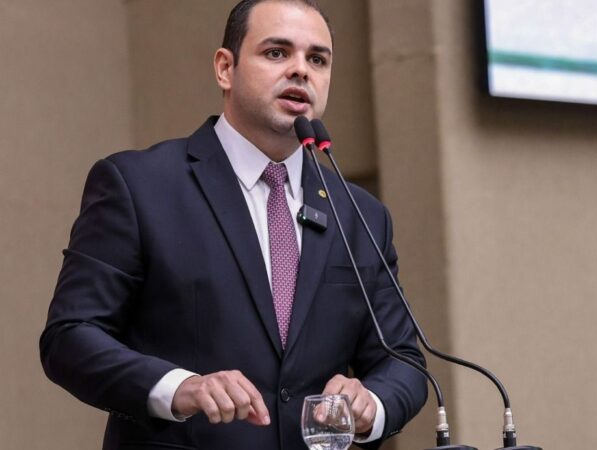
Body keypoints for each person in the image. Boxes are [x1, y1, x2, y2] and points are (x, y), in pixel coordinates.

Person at [39, 0, 427, 449]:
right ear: (225, 68)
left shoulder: (360, 214)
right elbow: (70, 337)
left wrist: (371, 405)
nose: (301, 70)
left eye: (317, 59)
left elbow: (402, 361)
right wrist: (179, 388)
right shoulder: (139, 185)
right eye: (277, 52)